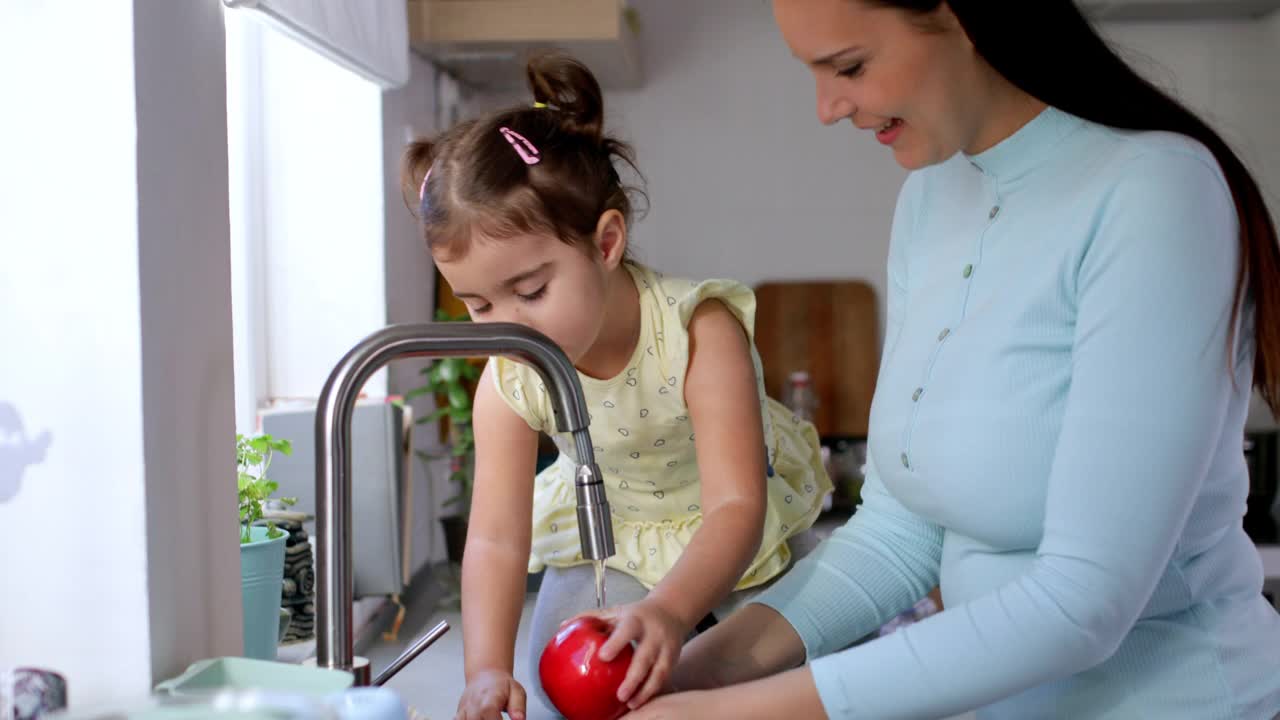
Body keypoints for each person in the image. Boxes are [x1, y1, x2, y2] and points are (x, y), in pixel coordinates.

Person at [620, 1, 1280, 718]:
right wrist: (698, 667)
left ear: (963, 16)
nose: (828, 107)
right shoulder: (930, 199)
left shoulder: (1156, 191)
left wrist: (733, 714)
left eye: (849, 67)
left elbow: (1084, 603)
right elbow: (902, 534)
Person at [400, 51, 832, 720]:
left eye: (531, 291)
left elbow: (736, 508)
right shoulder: (509, 381)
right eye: (479, 306)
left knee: (768, 689)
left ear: (605, 244)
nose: (506, 327)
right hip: (612, 540)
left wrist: (667, 611)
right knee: (565, 696)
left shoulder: (699, 332)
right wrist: (485, 671)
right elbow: (494, 537)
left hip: (743, 539)